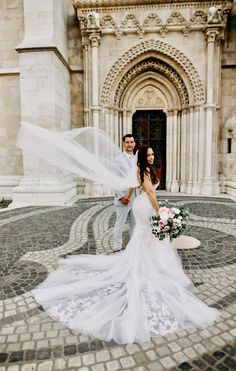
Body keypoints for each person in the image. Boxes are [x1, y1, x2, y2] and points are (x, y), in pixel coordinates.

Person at [29, 142, 218, 345]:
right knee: (149, 236)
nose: (152, 157)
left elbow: (136, 187)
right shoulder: (144, 170)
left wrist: (138, 199)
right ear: (143, 156)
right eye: (150, 154)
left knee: (146, 238)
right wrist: (160, 212)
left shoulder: (141, 169)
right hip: (146, 206)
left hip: (141, 205)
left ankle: (151, 264)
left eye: (153, 154)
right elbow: (151, 192)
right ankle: (149, 267)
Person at [113, 134, 136, 253]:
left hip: (136, 198)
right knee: (120, 224)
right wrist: (121, 196)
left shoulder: (137, 159)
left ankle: (133, 246)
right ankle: (117, 247)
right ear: (123, 144)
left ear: (134, 143)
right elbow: (113, 179)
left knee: (135, 224)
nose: (130, 145)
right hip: (123, 197)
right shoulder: (118, 160)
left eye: (131, 142)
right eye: (127, 142)